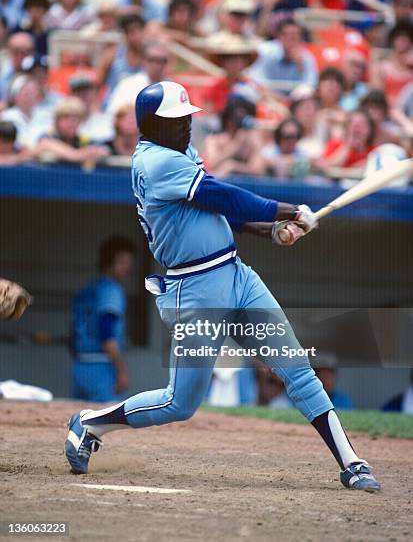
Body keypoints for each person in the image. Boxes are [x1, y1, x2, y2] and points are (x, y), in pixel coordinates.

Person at [65, 80, 380, 493]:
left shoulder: (179, 151)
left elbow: (214, 210)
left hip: (236, 275)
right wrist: (287, 208)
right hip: (194, 293)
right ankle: (89, 424)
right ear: (151, 125)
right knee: (180, 403)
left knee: (298, 370)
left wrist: (268, 229)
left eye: (187, 118)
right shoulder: (155, 162)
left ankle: (351, 462)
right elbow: (222, 195)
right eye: (176, 120)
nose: (186, 126)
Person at [70, 236, 135, 402]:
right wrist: (122, 370)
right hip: (103, 367)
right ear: (109, 262)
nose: (128, 268)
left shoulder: (88, 289)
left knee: (79, 420)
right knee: (111, 421)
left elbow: (71, 333)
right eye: (123, 262)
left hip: (80, 365)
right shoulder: (111, 289)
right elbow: (107, 333)